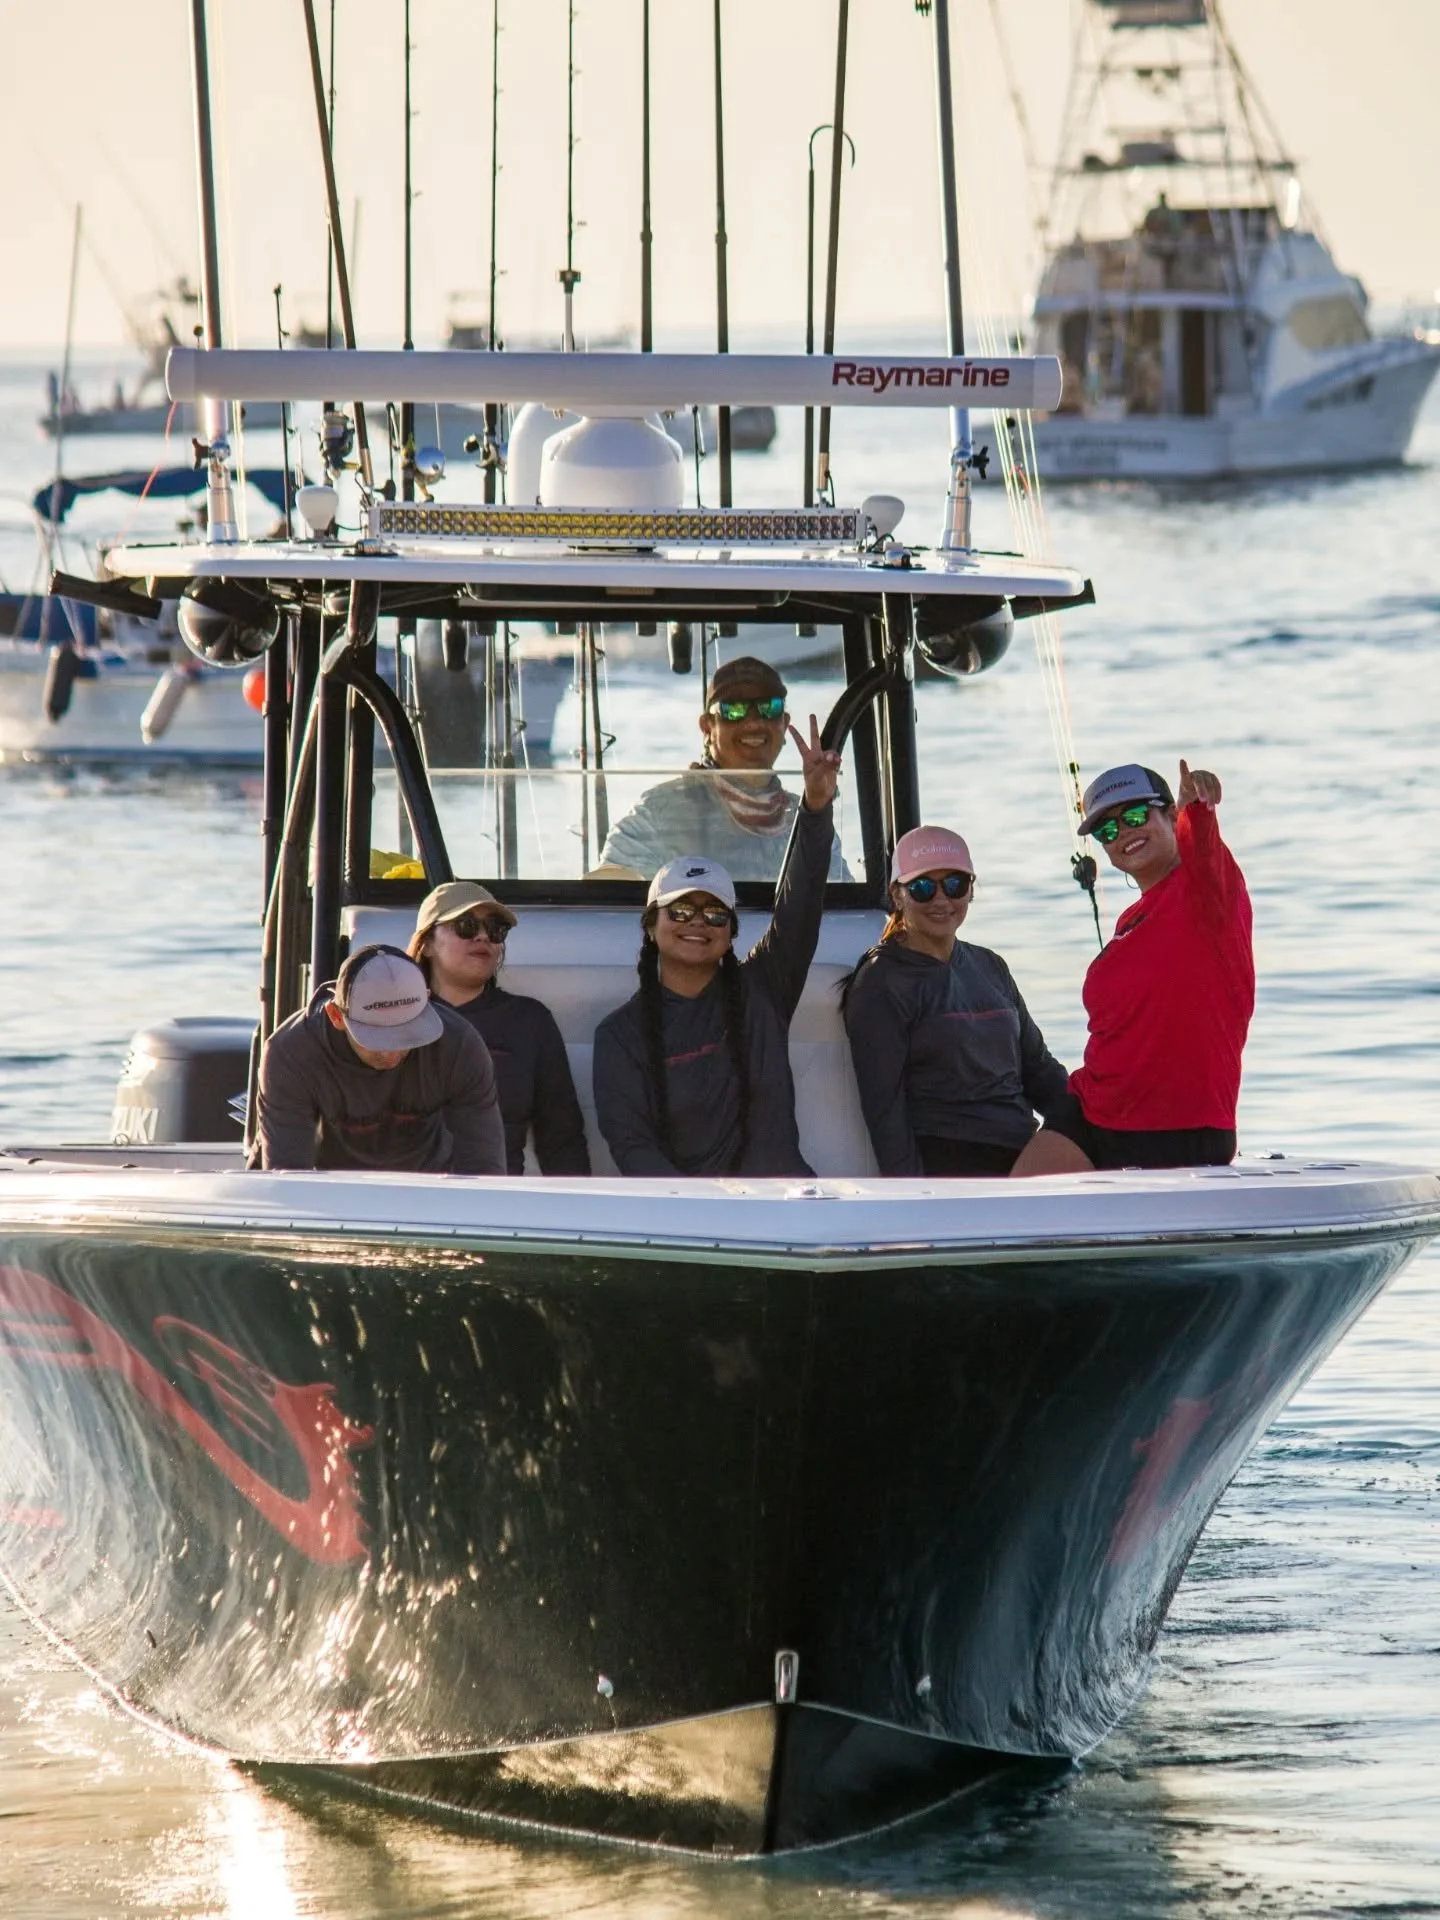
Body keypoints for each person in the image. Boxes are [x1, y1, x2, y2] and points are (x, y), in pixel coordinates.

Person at [593, 717, 842, 1175]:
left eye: (714, 914)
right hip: (692, 1213)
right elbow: (632, 1147)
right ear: (650, 926)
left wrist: (815, 806)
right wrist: (702, 1208)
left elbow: (800, 904)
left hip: (786, 1201)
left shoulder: (764, 988)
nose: (697, 923)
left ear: (731, 931)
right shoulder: (619, 1036)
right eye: (680, 911)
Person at [1011, 760, 1253, 1176]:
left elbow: (1203, 846)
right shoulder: (1131, 920)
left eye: (1136, 816)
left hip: (1179, 1128)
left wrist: (1197, 807)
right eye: (1107, 830)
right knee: (1011, 1205)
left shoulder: (1208, 892)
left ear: (1170, 815)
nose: (1123, 832)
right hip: (1095, 1111)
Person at [842, 825, 1070, 1177]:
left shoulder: (990, 965)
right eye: (922, 888)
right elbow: (884, 1108)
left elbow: (1039, 1069)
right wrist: (914, 1194)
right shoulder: (881, 981)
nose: (941, 900)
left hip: (1024, 1151)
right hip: (950, 1161)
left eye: (954, 885)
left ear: (970, 890)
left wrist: (1088, 1121)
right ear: (897, 895)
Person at [252, 943, 507, 1174]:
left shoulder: (459, 1044)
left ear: (426, 1003)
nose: (392, 1052)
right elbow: (289, 1174)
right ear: (336, 1016)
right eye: (377, 1037)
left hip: (429, 1184)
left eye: (406, 1034)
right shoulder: (290, 1054)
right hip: (327, 1187)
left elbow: (484, 1166)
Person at [597, 656, 848, 882]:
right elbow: (609, 898)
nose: (753, 722)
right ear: (707, 727)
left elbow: (842, 898)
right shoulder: (659, 812)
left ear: (785, 723)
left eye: (769, 707)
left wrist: (817, 805)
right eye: (734, 710)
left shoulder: (805, 816)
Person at [408, 880, 591, 1176]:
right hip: (408, 1198)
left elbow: (561, 1137)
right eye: (466, 925)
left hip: (499, 1198)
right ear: (426, 943)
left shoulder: (529, 1021)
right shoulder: (392, 1020)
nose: (483, 936)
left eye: (495, 929)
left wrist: (574, 1200)